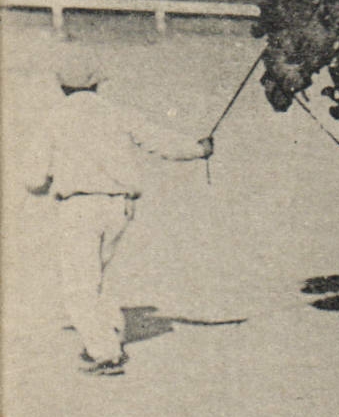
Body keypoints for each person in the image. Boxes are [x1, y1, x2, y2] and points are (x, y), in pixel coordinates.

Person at [23, 53, 213, 375]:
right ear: (97, 83)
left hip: (79, 207)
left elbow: (33, 178)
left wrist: (43, 185)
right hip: (119, 208)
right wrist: (199, 149)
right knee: (102, 276)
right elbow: (160, 141)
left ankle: (105, 353)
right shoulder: (117, 113)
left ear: (61, 86)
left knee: (78, 285)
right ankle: (108, 336)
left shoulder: (54, 118)